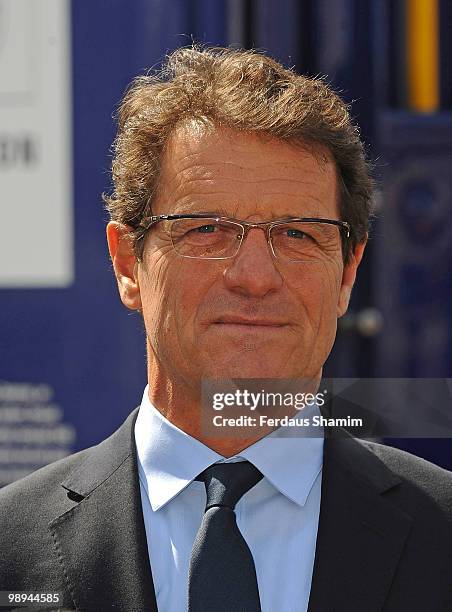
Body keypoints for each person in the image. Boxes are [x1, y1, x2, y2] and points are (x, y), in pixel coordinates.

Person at [0, 46, 451, 612]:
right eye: (206, 229)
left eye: (298, 234)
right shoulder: (10, 550)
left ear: (347, 275)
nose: (255, 277)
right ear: (126, 265)